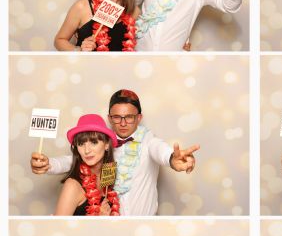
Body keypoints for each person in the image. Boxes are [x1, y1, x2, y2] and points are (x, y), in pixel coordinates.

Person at [31, 89, 199, 216]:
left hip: (142, 224)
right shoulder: (103, 150)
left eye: (129, 117)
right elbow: (74, 160)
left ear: (139, 118)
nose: (123, 123)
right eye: (117, 117)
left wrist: (171, 158)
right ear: (110, 118)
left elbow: (160, 150)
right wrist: (48, 164)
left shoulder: (148, 140)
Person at [55, 114, 119, 216]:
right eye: (81, 144)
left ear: (107, 144)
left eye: (94, 142)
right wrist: (98, 220)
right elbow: (58, 226)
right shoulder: (72, 185)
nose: (87, 150)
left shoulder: (109, 173)